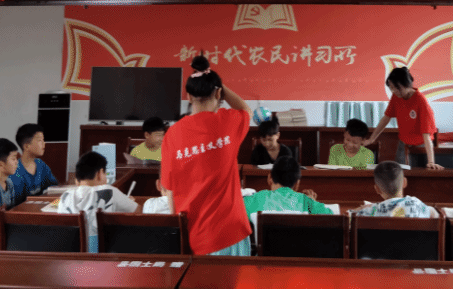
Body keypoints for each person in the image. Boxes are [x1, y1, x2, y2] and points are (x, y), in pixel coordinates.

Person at [160, 55, 252, 255]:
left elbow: (170, 190)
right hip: (230, 233)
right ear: (218, 93)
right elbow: (246, 109)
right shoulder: (228, 121)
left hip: (194, 237)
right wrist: (218, 83)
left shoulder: (172, 134)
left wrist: (179, 234)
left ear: (188, 96)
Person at [365, 67, 444, 170]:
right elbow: (386, 118)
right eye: (391, 88)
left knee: (420, 173)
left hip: (421, 146)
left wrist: (431, 162)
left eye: (397, 88)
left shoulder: (420, 101)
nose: (394, 91)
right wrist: (372, 139)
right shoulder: (396, 97)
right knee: (400, 173)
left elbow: (426, 135)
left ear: (406, 84)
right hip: (403, 143)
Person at [58, 151, 138, 252]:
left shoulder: (66, 195)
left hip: (71, 254)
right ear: (100, 173)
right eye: (105, 173)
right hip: (102, 255)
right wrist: (128, 201)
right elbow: (138, 212)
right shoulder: (108, 191)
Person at [243, 157, 333, 216]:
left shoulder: (257, 198)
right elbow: (331, 217)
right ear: (297, 183)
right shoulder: (307, 202)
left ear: (270, 178)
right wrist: (313, 203)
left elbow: (238, 213)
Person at [355, 161, 437, 217]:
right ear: (404, 182)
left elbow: (349, 216)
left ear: (377, 189)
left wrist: (359, 209)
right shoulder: (417, 204)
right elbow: (435, 214)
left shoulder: (370, 211)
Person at [10, 123, 59, 204]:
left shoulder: (41, 164)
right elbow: (17, 204)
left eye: (43, 140)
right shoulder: (15, 171)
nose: (44, 143)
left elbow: (54, 187)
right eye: (39, 140)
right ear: (26, 146)